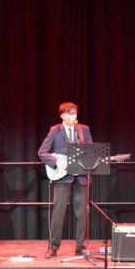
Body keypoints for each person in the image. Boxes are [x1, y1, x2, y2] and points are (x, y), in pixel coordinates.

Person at [38, 102, 93, 258]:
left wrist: (89, 156)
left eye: (75, 113)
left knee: (82, 214)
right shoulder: (55, 130)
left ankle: (80, 247)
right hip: (62, 177)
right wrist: (57, 162)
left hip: (80, 176)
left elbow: (90, 151)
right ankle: (53, 247)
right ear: (62, 115)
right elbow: (42, 152)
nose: (73, 116)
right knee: (59, 213)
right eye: (70, 113)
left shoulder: (83, 129)